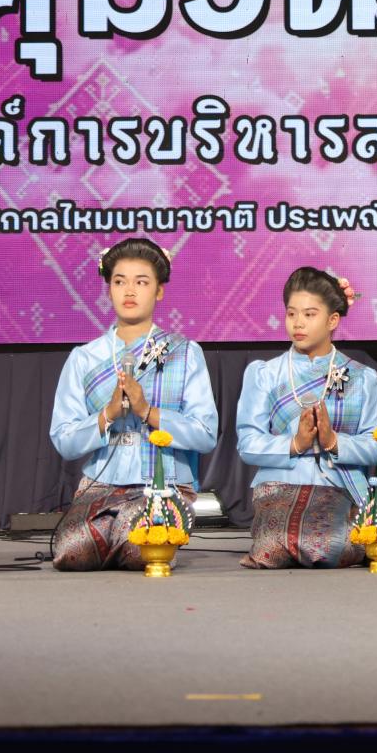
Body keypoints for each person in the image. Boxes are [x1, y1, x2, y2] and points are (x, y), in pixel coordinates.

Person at [49, 238, 218, 571]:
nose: (129, 291)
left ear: (159, 291)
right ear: (109, 289)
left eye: (141, 282)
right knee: (71, 552)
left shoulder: (184, 353)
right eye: (119, 281)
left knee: (138, 545)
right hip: (100, 485)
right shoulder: (85, 358)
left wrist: (147, 412)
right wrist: (108, 414)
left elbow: (206, 434)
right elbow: (64, 440)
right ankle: (112, 535)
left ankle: (125, 537)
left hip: (165, 485)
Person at [236, 268, 377, 568]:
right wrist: (296, 444)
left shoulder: (362, 377)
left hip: (339, 485)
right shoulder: (265, 374)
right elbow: (247, 443)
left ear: (332, 320)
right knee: (276, 542)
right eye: (291, 314)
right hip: (281, 485)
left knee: (331, 544)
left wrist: (333, 441)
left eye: (309, 314)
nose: (298, 323)